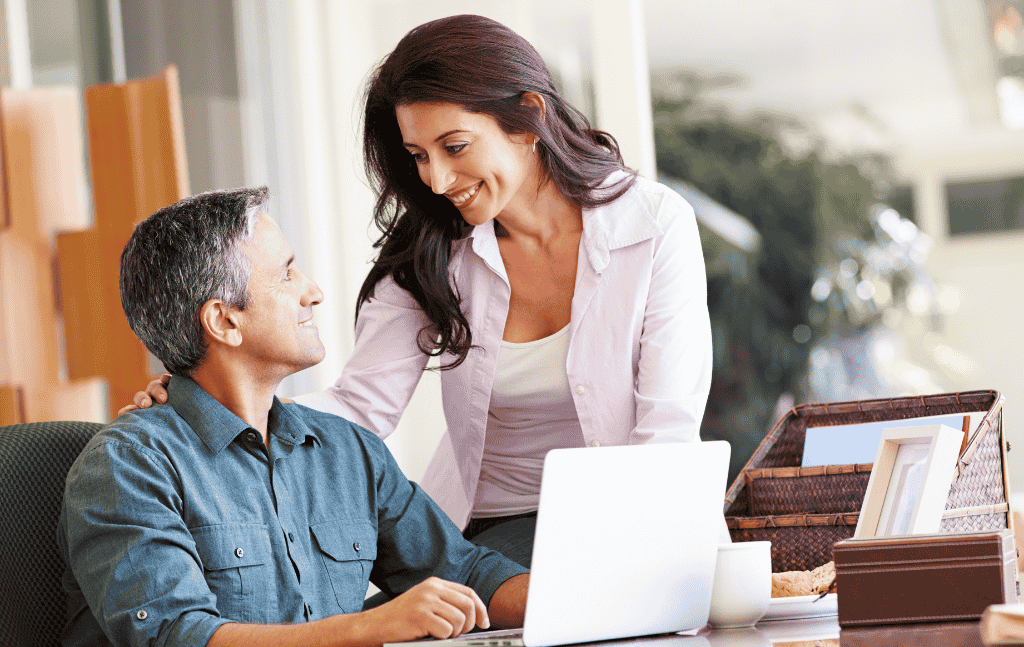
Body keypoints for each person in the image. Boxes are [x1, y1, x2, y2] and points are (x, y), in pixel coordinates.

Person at [126, 14, 713, 569]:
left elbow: (668, 427)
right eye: (417, 156)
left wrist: (639, 557)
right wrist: (205, 409)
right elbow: (360, 408)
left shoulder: (655, 227)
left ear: (529, 117)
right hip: (497, 529)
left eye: (454, 148)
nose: (435, 179)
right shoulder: (434, 250)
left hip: (634, 519)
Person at [59, 187, 529, 647]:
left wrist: (593, 604)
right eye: (286, 275)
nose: (313, 291)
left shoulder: (344, 450)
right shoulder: (128, 466)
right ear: (224, 320)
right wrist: (375, 624)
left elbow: (465, 571)